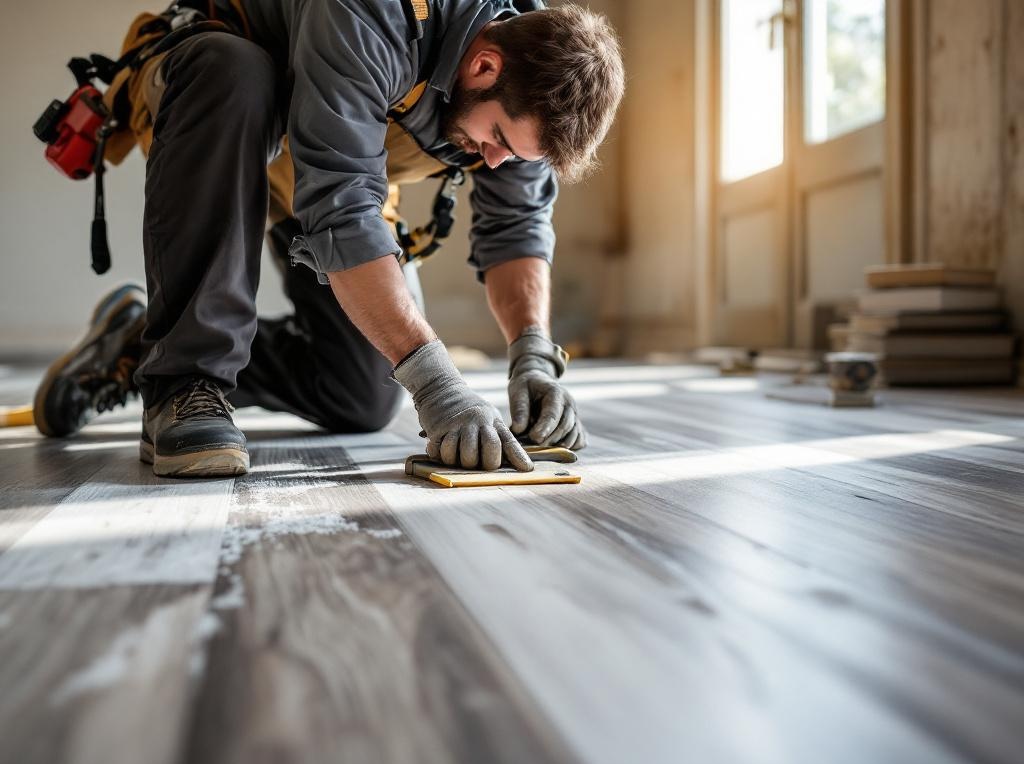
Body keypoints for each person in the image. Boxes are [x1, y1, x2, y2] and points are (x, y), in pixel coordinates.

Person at [33, 0, 625, 478]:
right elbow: (341, 208)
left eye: (513, 153)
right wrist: (439, 385)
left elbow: (516, 230)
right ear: (484, 66)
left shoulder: (532, 79)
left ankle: (138, 340)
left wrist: (533, 357)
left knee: (362, 394)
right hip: (220, 103)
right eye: (495, 137)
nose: (495, 162)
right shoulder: (379, 12)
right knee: (232, 70)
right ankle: (184, 380)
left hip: (331, 159)